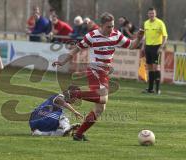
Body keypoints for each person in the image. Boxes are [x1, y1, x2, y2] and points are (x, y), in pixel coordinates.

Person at [52, 12, 144, 141]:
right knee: (103, 97)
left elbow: (132, 46)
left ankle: (78, 134)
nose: (111, 29)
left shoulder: (116, 35)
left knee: (100, 108)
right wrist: (63, 61)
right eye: (108, 27)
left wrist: (139, 38)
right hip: (94, 70)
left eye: (112, 26)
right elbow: (77, 49)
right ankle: (72, 94)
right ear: (101, 25)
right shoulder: (92, 36)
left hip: (104, 72)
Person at [141, 7, 168, 94]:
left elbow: (165, 36)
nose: (151, 15)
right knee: (149, 68)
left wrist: (161, 47)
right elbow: (145, 36)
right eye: (150, 13)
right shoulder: (146, 23)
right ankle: (150, 89)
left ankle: (158, 89)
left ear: (155, 14)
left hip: (156, 47)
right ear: (147, 14)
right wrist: (143, 46)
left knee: (156, 67)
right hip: (148, 47)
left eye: (153, 13)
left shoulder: (160, 23)